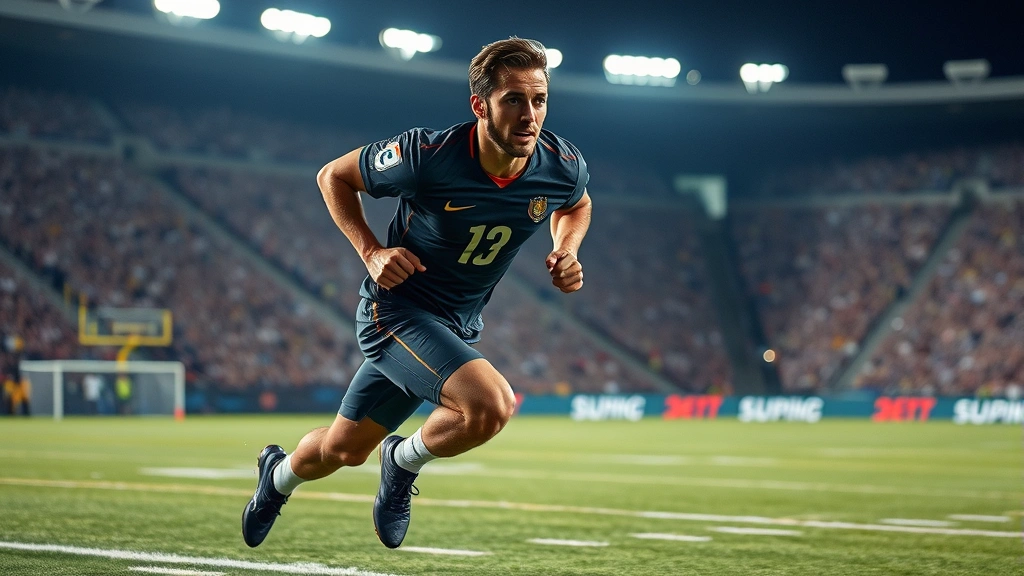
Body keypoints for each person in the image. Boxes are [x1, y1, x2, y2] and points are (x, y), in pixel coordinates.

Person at [242, 37, 592, 549]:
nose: (529, 115)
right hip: (397, 314)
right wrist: (370, 251)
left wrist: (567, 249)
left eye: (539, 100)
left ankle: (275, 478)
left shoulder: (560, 163)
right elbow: (332, 176)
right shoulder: (426, 155)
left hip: (455, 324)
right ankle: (401, 462)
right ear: (480, 106)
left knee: (343, 450)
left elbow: (575, 204)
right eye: (513, 99)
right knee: (490, 405)